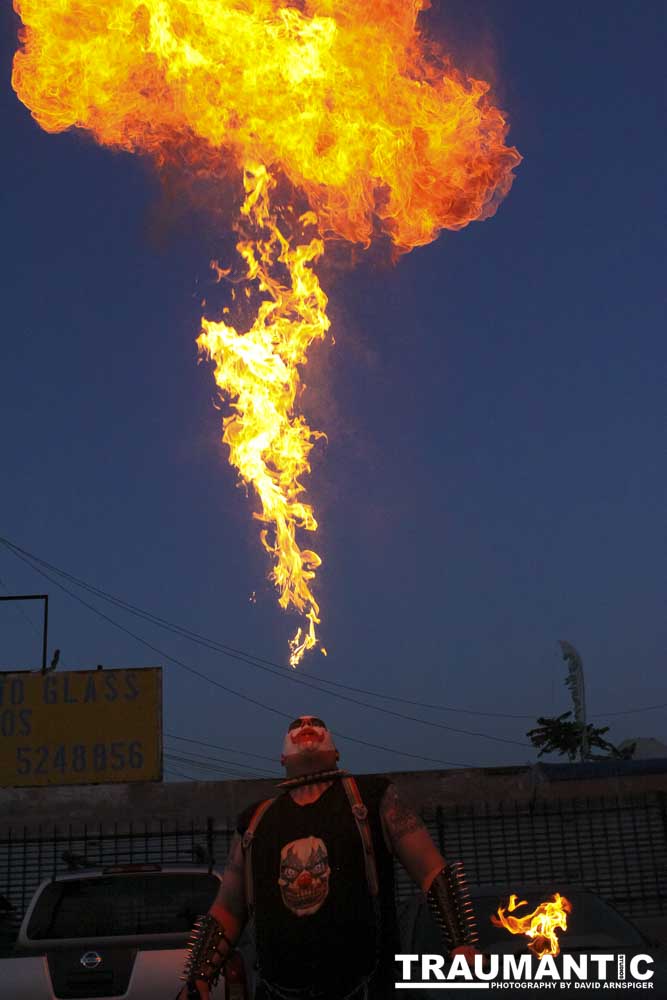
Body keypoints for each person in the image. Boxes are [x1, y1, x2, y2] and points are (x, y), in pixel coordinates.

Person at [175, 715, 479, 1000]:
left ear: (336, 753)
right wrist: (199, 978)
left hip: (367, 990)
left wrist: (461, 942)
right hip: (277, 992)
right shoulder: (255, 822)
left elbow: (431, 870)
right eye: (297, 725)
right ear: (282, 758)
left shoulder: (374, 799)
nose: (307, 724)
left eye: (317, 723)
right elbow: (228, 909)